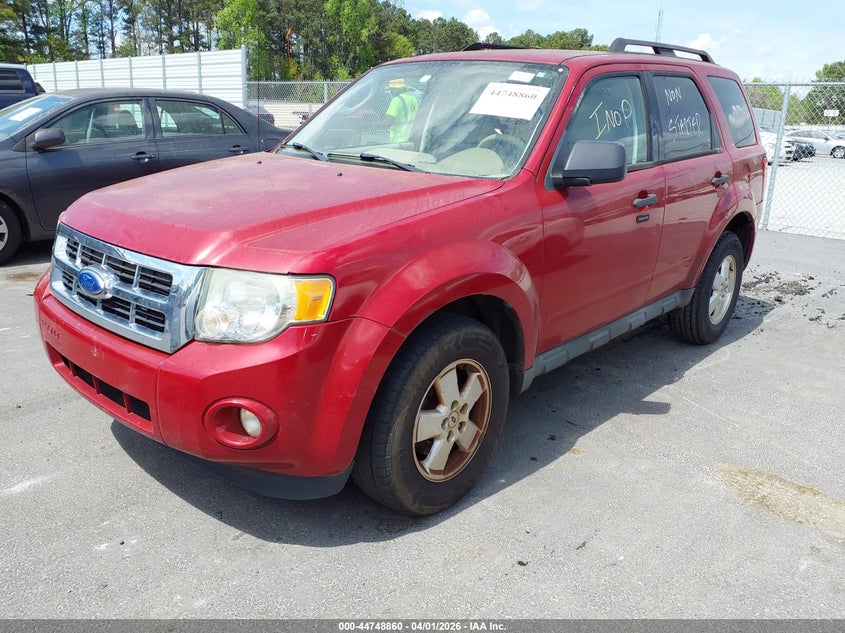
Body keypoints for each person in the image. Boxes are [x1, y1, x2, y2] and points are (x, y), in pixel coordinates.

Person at [385, 78, 419, 143]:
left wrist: (372, 125)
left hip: (398, 139)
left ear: (398, 89)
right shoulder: (413, 98)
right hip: (411, 138)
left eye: (392, 89)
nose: (391, 92)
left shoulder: (396, 100)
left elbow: (388, 122)